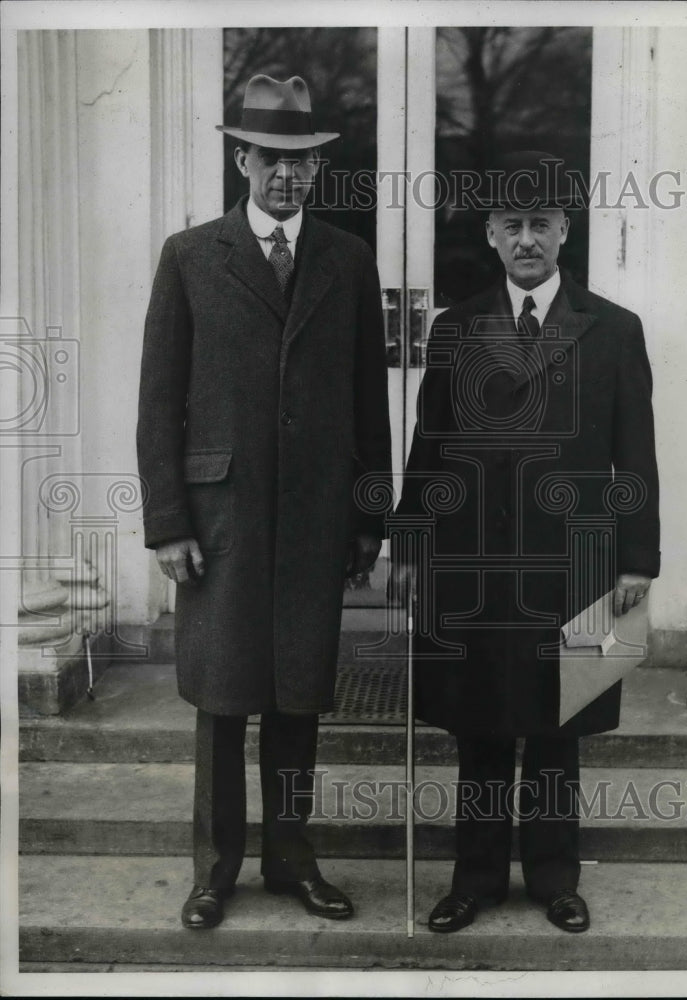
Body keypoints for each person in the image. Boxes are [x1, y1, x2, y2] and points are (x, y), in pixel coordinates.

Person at [137, 74, 391, 929]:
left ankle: (291, 861)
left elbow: (369, 402)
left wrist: (368, 515)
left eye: (302, 162)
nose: (286, 176)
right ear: (241, 158)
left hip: (317, 516)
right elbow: (158, 400)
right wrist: (168, 522)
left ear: (318, 171)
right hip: (221, 522)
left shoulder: (349, 261)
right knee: (220, 698)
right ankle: (213, 872)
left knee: (295, 695)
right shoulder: (189, 255)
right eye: (270, 158)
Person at [389, 151, 660, 934]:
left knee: (557, 725)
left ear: (564, 231)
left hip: (573, 564)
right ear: (491, 235)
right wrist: (408, 545)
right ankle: (473, 880)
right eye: (513, 225)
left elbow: (634, 455)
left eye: (542, 223)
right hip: (474, 560)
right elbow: (428, 447)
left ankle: (553, 878)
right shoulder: (456, 328)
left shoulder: (613, 329)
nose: (528, 239)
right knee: (480, 724)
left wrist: (638, 558)